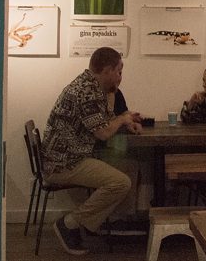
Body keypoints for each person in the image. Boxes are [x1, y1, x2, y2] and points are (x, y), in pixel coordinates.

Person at [41, 46, 142, 255]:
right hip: (64, 162)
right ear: (106, 70)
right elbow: (104, 133)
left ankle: (93, 224)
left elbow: (105, 120)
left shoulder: (91, 86)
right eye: (118, 71)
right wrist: (123, 119)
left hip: (71, 155)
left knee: (129, 166)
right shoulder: (87, 92)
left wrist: (124, 120)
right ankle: (70, 223)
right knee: (120, 182)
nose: (120, 76)